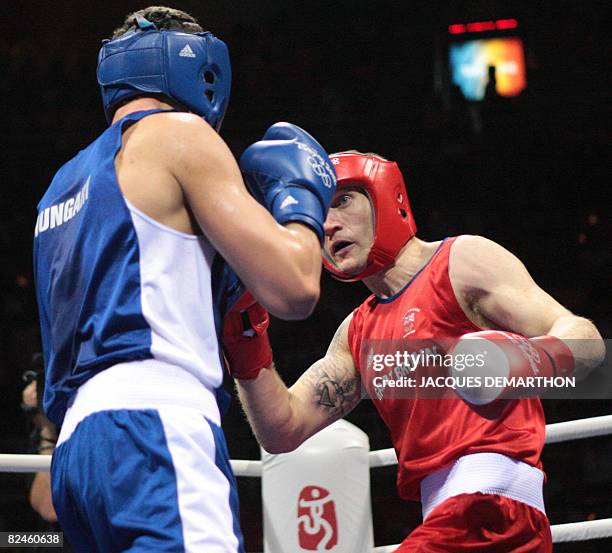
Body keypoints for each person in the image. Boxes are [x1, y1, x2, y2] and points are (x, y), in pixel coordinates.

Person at [33, 6, 336, 552]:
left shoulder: (61, 185)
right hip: (155, 427)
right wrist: (302, 203)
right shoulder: (178, 134)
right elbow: (296, 286)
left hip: (78, 454)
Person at [227, 151, 605, 551]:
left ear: (388, 199)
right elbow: (282, 429)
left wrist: (520, 361)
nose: (328, 224)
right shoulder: (357, 332)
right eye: (316, 212)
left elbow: (587, 342)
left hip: (495, 512)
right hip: (451, 521)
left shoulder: (460, 262)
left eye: (342, 200)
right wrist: (245, 338)